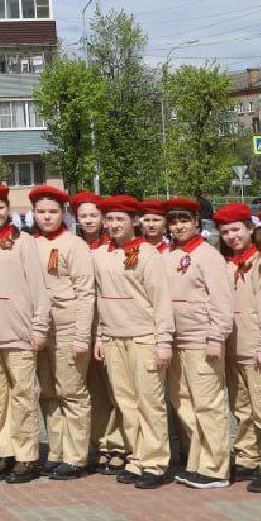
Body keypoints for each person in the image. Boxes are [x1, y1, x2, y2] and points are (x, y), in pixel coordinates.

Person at [0, 184, 49, 483]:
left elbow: (39, 288)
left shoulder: (24, 242)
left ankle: (26, 456)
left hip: (20, 334)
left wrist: (39, 326)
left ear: (8, 209)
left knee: (23, 396)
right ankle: (5, 452)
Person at [91, 195, 173, 488]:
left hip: (144, 338)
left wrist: (163, 341)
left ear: (134, 222)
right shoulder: (100, 254)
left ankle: (155, 462)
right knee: (126, 403)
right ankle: (136, 458)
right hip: (114, 337)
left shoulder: (148, 254)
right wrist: (100, 336)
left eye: (119, 220)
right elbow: (99, 300)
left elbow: (161, 301)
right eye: (109, 219)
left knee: (150, 402)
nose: (113, 225)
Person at [214, 202, 261, 493]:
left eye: (236, 230)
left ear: (249, 229)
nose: (232, 236)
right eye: (225, 232)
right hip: (234, 350)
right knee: (242, 409)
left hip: (260, 351)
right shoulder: (226, 264)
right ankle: (247, 457)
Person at [162, 197, 233, 490]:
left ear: (196, 223)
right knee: (185, 404)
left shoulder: (208, 255)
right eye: (174, 222)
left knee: (208, 405)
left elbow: (221, 300)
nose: (179, 226)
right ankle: (198, 461)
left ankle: (216, 468)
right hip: (176, 339)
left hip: (202, 339)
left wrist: (216, 336)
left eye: (184, 221)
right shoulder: (168, 254)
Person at [28, 186, 95, 481]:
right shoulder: (29, 243)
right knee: (49, 394)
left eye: (53, 212)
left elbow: (85, 293)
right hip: (39, 330)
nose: (46, 217)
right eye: (41, 212)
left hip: (68, 328)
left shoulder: (73, 245)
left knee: (72, 393)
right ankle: (56, 451)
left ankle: (76, 455)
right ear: (33, 214)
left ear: (63, 214)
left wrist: (82, 335)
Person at [72, 190, 124, 473]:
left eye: (94, 215)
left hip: (108, 326)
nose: (89, 220)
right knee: (93, 392)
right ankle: (101, 442)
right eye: (84, 216)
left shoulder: (112, 247)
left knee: (116, 388)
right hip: (82, 326)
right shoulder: (76, 245)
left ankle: (119, 444)